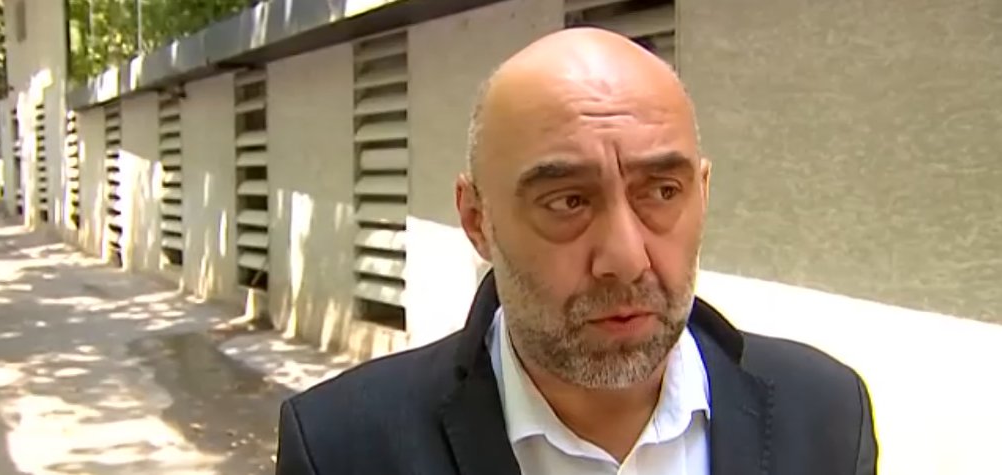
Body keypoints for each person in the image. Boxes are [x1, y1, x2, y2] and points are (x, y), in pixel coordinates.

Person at [276, 28, 877, 475]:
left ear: (703, 192)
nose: (626, 258)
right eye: (568, 201)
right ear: (477, 220)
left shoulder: (826, 415)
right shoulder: (342, 448)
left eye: (662, 192)